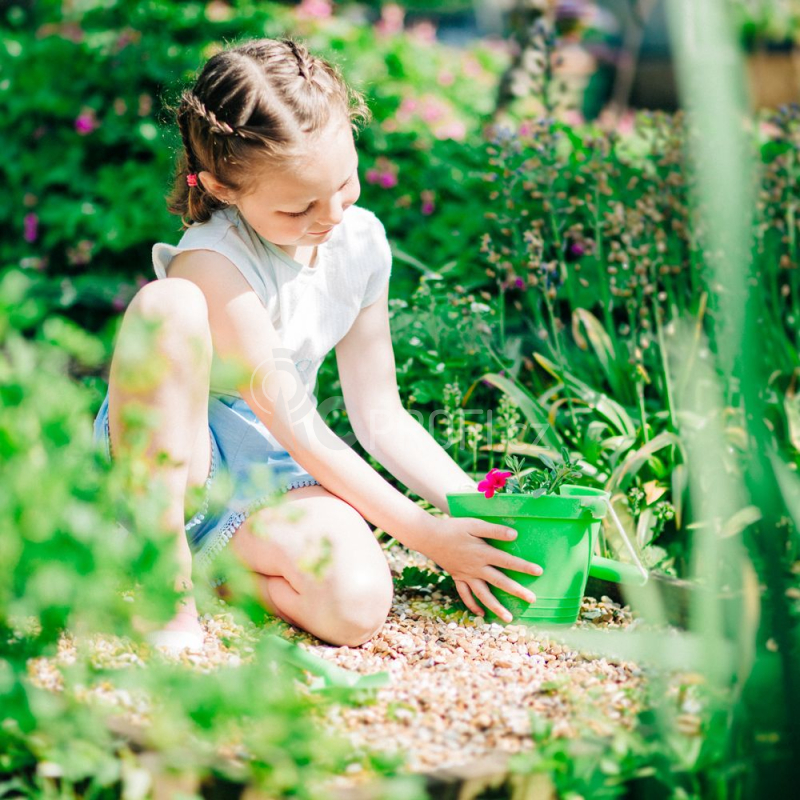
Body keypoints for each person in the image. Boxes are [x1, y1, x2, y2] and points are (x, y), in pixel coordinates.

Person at [93, 37, 544, 653]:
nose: (330, 215)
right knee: (165, 304)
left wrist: (477, 511)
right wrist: (424, 534)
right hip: (181, 463)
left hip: (273, 472)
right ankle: (159, 566)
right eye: (299, 206)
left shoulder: (359, 243)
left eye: (347, 183)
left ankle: (217, 571)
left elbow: (381, 416)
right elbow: (294, 418)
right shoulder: (213, 260)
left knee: (355, 604)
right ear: (224, 189)